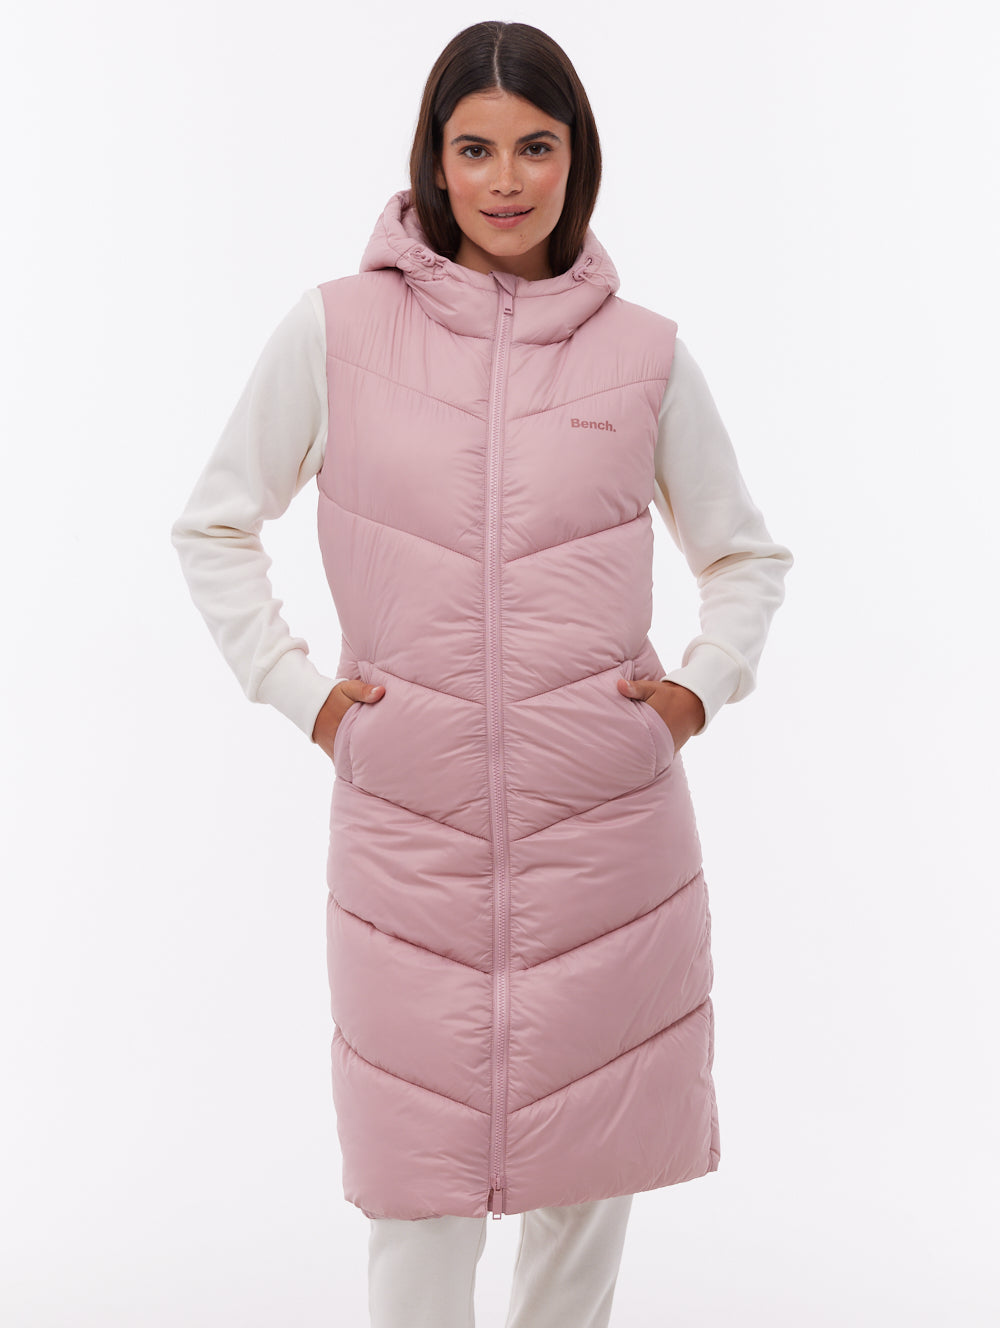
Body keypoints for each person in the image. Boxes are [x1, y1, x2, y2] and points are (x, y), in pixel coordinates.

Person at [170, 19, 793, 1328]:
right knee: (418, 1202)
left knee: (586, 1194)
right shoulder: (336, 330)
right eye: (475, 149)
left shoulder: (646, 354)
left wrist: (696, 690)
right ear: (434, 160)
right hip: (409, 837)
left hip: (608, 841)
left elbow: (742, 553)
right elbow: (216, 524)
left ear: (578, 159)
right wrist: (307, 699)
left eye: (535, 147)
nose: (506, 180)